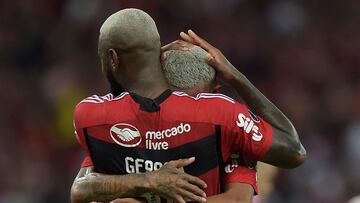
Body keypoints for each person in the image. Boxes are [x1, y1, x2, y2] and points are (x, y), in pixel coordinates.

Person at [71, 8, 306, 203]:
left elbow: (81, 189)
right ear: (160, 58)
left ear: (112, 58)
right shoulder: (222, 115)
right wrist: (234, 76)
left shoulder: (94, 117)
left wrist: (145, 185)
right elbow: (293, 151)